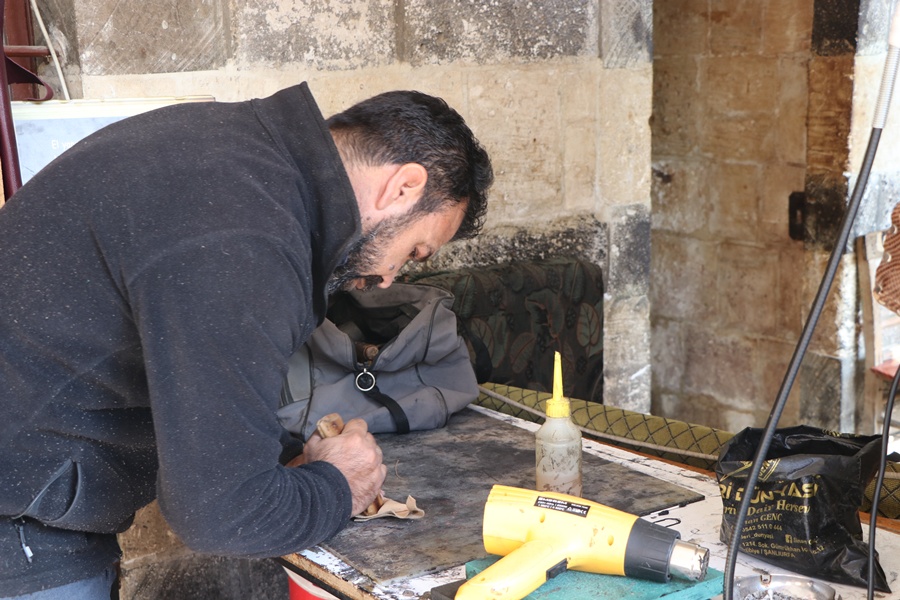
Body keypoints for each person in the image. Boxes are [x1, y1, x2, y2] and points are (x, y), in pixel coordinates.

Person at [0, 82, 493, 598]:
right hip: (21, 532)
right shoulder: (246, 237)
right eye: (415, 250)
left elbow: (195, 382)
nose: (391, 279)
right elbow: (220, 512)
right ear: (403, 187)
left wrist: (283, 459)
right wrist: (338, 487)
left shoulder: (234, 159)